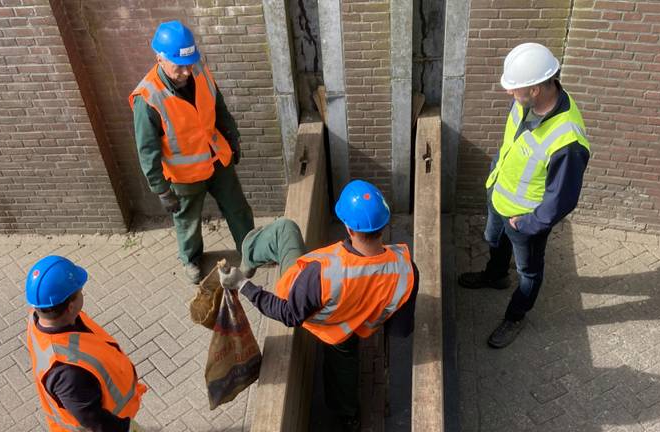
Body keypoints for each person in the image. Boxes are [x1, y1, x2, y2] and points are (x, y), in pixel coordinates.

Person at [218, 180, 419, 432]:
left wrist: (244, 286)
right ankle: (348, 416)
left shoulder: (321, 273)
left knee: (285, 229)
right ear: (383, 224)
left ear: (349, 228)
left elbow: (289, 314)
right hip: (354, 327)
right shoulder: (406, 268)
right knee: (343, 362)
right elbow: (401, 329)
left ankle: (248, 258)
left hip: (324, 322)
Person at [458, 42, 591, 348]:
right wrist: (493, 180)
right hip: (499, 197)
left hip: (525, 220)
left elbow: (562, 198)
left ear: (535, 89)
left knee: (528, 272)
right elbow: (511, 146)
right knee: (494, 240)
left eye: (514, 87)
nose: (509, 92)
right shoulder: (524, 102)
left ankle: (516, 316)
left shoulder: (568, 139)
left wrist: (529, 224)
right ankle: (495, 276)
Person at [130, 20, 254, 284]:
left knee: (238, 209)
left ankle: (251, 251)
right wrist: (161, 190)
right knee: (187, 221)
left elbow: (219, 108)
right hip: (184, 175)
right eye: (179, 66)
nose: (187, 71)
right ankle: (191, 259)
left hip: (216, 159)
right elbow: (147, 150)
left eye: (190, 63)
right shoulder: (148, 98)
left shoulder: (200, 71)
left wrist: (232, 138)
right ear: (160, 58)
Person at [25, 256, 146, 432]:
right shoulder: (68, 373)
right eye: (80, 291)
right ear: (70, 306)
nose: (82, 293)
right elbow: (94, 420)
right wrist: (126, 428)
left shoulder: (39, 317)